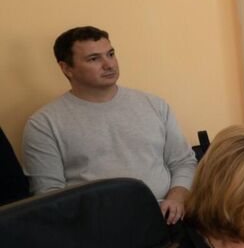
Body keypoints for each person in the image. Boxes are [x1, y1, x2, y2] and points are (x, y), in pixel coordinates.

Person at [22, 26, 197, 221]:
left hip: (166, 216)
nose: (109, 64)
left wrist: (176, 198)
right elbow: (50, 196)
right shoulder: (44, 124)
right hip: (99, 227)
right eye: (94, 59)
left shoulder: (154, 105)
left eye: (111, 54)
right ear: (66, 68)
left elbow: (183, 162)